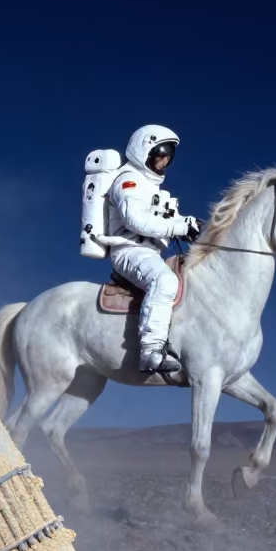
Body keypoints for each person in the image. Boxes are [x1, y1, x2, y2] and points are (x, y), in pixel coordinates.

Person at [105, 124, 200, 373]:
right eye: (160, 155)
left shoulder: (153, 189)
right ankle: (151, 351)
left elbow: (170, 221)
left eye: (168, 157)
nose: (164, 161)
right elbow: (134, 220)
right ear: (143, 151)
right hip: (129, 251)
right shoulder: (128, 181)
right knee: (165, 282)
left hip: (151, 252)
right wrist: (178, 228)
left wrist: (191, 225)